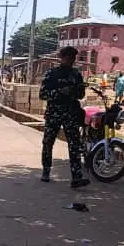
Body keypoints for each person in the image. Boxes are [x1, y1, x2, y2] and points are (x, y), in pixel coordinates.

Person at [40, 46, 90, 189]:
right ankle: (46, 170)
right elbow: (43, 94)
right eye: (68, 58)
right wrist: (61, 92)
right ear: (61, 58)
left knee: (75, 145)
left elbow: (81, 95)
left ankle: (77, 176)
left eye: (73, 58)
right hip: (54, 113)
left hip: (71, 113)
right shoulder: (52, 73)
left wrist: (75, 90)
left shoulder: (76, 74)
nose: (71, 61)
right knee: (48, 142)